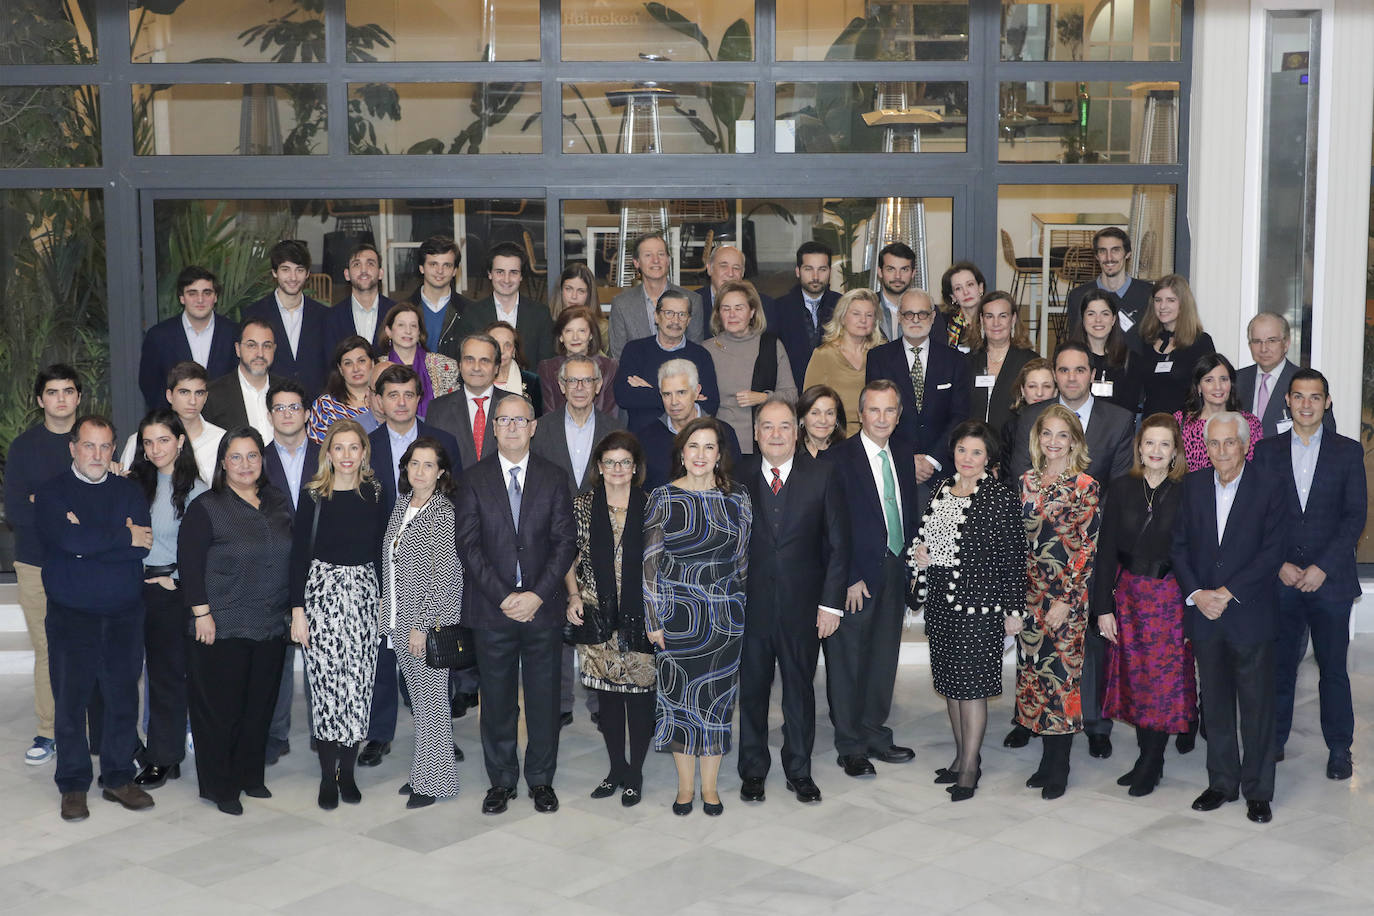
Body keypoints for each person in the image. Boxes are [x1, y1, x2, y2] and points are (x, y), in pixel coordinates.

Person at [454, 395, 577, 816]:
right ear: (493, 427)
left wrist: (537, 595)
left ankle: (541, 780)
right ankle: (501, 781)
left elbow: (565, 544)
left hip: (542, 609)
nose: (510, 427)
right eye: (502, 420)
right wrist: (506, 597)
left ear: (533, 426)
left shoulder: (555, 477)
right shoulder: (472, 479)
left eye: (518, 420)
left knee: (544, 700)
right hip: (493, 610)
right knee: (498, 701)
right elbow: (467, 547)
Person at [35, 415, 155, 822]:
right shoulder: (53, 493)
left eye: (106, 447)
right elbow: (68, 540)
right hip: (72, 617)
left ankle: (118, 778)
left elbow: (142, 547)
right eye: (89, 445)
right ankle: (72, 785)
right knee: (71, 703)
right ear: (73, 447)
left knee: (123, 698)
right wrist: (120, 535)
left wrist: (88, 540)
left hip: (124, 614)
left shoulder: (129, 490)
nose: (98, 455)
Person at [1172, 411, 1287, 824]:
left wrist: (1227, 592)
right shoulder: (1192, 485)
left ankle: (1258, 789)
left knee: (1256, 707)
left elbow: (1273, 551)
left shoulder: (1269, 486)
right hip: (1205, 614)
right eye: (1214, 444)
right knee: (1216, 705)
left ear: (1244, 445)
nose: (1222, 451)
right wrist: (1198, 594)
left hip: (1248, 612)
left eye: (1230, 443)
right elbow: (1179, 545)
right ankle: (1222, 782)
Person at [1254, 370, 1366, 780]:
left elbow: (1354, 518)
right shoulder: (1266, 452)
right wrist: (1278, 564)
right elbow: (1260, 517)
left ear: (1327, 402)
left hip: (1330, 582)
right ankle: (1274, 742)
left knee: (1333, 670)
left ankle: (1340, 749)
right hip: (1280, 581)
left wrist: (1322, 568)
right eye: (1299, 397)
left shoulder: (1348, 452)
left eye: (1315, 398)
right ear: (1287, 400)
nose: (1306, 405)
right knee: (1279, 668)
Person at [736, 400, 849, 805]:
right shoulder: (737, 475)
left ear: (797, 431)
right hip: (749, 607)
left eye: (785, 426)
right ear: (755, 432)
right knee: (751, 691)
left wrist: (830, 605)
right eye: (767, 426)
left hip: (804, 608)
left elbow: (839, 544)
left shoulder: (821, 475)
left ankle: (799, 770)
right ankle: (752, 770)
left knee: (799, 690)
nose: (777, 434)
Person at [910, 420, 1028, 801]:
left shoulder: (1000, 497)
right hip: (942, 604)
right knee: (950, 685)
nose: (968, 458)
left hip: (981, 607)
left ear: (988, 456)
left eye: (976, 452)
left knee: (972, 687)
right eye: (962, 450)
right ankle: (961, 758)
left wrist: (1014, 610)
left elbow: (1013, 559)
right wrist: (921, 554)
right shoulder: (941, 489)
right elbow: (928, 538)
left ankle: (972, 766)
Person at [178, 427, 293, 816]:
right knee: (219, 711)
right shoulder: (206, 507)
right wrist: (201, 615)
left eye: (253, 456)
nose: (245, 465)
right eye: (236, 457)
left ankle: (249, 775)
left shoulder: (277, 502)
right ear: (223, 463)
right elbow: (190, 566)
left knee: (258, 706)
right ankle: (219, 786)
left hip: (270, 623)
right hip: (221, 625)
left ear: (262, 460)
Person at [644, 417, 752, 816]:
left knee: (717, 702)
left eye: (709, 447)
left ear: (719, 454)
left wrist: (739, 608)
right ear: (682, 453)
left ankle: (710, 788)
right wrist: (653, 617)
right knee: (678, 701)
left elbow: (742, 560)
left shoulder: (738, 497)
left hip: (725, 618)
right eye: (693, 446)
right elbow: (650, 563)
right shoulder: (662, 497)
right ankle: (685, 787)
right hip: (676, 617)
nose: (701, 455)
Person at [363, 364, 461, 766]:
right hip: (381, 567)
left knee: (430, 674)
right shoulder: (365, 444)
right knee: (385, 662)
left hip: (427, 576)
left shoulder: (441, 442)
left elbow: (457, 503)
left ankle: (436, 745)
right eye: (392, 395)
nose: (401, 402)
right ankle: (380, 734)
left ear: (419, 399)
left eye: (408, 394)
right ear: (378, 401)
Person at [289, 420, 388, 810]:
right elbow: (298, 555)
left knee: (358, 686)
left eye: (354, 447)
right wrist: (298, 610)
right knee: (327, 687)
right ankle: (327, 775)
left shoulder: (376, 492)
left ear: (364, 452)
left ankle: (348, 773)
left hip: (365, 595)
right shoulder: (313, 494)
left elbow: (384, 551)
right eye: (339, 448)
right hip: (321, 596)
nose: (347, 455)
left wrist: (387, 602)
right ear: (328, 453)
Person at [1095, 414, 1195, 797]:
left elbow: (1195, 552)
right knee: (1135, 680)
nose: (1155, 451)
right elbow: (1105, 552)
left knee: (1161, 684)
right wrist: (1102, 606)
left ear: (1175, 452)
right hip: (1129, 597)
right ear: (1139, 448)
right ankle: (1144, 757)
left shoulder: (1187, 491)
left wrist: (1192, 604)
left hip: (1169, 597)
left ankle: (1152, 762)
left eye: (1164, 444)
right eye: (1149, 443)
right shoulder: (1122, 488)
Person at [825, 380, 920, 778]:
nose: (882, 418)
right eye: (874, 410)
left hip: (894, 569)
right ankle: (849, 744)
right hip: (856, 579)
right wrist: (847, 577)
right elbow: (830, 527)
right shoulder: (838, 459)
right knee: (849, 663)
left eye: (890, 411)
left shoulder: (899, 451)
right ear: (860, 414)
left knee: (883, 658)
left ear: (899, 416)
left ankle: (873, 732)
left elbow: (905, 505)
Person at [563, 431, 656, 806]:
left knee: (639, 698)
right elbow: (567, 558)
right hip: (597, 614)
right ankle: (616, 767)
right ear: (599, 468)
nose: (617, 469)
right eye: (610, 462)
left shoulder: (653, 505)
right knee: (607, 699)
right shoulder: (583, 505)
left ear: (635, 468)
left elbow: (661, 564)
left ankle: (635, 772)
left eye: (625, 462)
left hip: (640, 615)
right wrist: (571, 595)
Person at [1015, 405, 1101, 799]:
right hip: (1031, 596)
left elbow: (1088, 548)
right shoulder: (1026, 482)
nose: (1053, 441)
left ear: (1074, 441)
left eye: (1061, 435)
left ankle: (1060, 764)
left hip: (1067, 598)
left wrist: (1066, 599)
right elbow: (1019, 545)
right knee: (1034, 676)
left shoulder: (1085, 485)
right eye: (1047, 434)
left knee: (1061, 680)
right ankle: (1046, 761)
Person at [4, 366, 82, 766]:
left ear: (78, 397)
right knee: (47, 648)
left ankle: (88, 728)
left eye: (68, 391)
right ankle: (49, 731)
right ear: (40, 400)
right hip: (35, 562)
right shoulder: (23, 447)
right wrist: (63, 514)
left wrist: (46, 504)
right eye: (52, 392)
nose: (61, 399)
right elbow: (17, 510)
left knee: (90, 646)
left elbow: (100, 504)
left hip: (88, 563)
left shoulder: (92, 442)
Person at [381, 438, 464, 808]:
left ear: (441, 472)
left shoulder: (443, 513)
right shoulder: (402, 506)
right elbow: (393, 564)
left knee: (432, 706)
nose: (419, 471)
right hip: (399, 621)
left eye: (428, 465)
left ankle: (435, 784)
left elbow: (445, 576)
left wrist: (422, 624)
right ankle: (422, 773)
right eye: (414, 463)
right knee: (419, 702)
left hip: (423, 626)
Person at [128, 409, 208, 790]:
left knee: (165, 678)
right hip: (128, 589)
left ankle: (164, 756)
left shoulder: (197, 489)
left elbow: (203, 549)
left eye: (163, 439)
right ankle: (138, 749)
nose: (155, 448)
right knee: (126, 675)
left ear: (179, 441)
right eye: (148, 441)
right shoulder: (132, 482)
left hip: (167, 592)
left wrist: (173, 580)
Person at [260, 378, 320, 765]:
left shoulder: (329, 455)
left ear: (307, 413)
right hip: (273, 573)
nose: (286, 414)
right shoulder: (255, 460)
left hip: (323, 570)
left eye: (293, 407)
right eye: (279, 408)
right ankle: (275, 734)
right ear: (270, 416)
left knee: (321, 655)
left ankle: (323, 732)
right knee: (276, 661)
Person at [864, 287, 971, 500]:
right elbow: (876, 416)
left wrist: (931, 459)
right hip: (893, 467)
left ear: (932, 317)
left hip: (943, 470)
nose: (915, 319)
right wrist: (906, 460)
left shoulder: (955, 360)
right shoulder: (878, 358)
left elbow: (960, 416)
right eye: (908, 314)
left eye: (922, 314)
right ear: (899, 317)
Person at [705, 279, 796, 453]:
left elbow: (792, 396)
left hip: (763, 446)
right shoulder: (706, 350)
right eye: (726, 309)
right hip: (719, 446)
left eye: (739, 308)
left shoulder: (771, 346)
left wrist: (763, 398)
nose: (732, 315)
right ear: (718, 313)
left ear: (752, 311)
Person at [614, 288, 721, 433]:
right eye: (669, 313)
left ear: (689, 320)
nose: (675, 320)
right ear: (657, 317)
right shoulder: (635, 350)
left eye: (682, 314)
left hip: (688, 439)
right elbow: (623, 396)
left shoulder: (701, 355)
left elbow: (710, 405)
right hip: (643, 439)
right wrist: (685, 398)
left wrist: (649, 391)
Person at [138, 265, 239, 412]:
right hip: (174, 425)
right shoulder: (159, 336)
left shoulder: (234, 333)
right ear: (181, 298)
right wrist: (170, 421)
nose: (200, 300)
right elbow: (150, 385)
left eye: (207, 293)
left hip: (223, 424)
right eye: (192, 293)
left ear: (215, 297)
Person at [242, 240, 331, 399]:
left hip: (315, 408)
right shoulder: (254, 314)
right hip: (268, 404)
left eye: (299, 270)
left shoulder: (324, 315)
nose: (293, 277)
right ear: (274, 272)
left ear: (308, 273)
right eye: (285, 270)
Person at [639, 359, 744, 491]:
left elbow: (735, 485)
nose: (674, 402)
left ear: (696, 391)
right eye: (667, 394)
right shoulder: (646, 437)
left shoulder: (724, 433)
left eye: (681, 392)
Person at [531, 354, 626, 497]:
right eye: (572, 381)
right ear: (562, 386)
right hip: (553, 517)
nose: (579, 387)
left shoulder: (616, 431)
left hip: (598, 517)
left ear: (598, 385)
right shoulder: (540, 429)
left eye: (587, 380)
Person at [455, 241, 556, 367]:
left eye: (513, 272)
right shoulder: (472, 314)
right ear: (489, 274)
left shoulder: (541, 314)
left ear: (521, 276)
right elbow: (465, 361)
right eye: (500, 272)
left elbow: (546, 365)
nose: (506, 279)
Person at [1236, 311, 1335, 438]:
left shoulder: (1307, 383)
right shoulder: (1236, 380)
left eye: (1271, 341)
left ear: (1286, 344)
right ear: (1249, 345)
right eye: (1256, 341)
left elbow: (1328, 434)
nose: (1263, 348)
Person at [120, 362, 224, 484]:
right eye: (184, 392)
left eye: (199, 393)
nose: (192, 401)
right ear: (169, 396)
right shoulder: (139, 441)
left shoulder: (221, 440)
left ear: (206, 397)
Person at [607, 231, 705, 358]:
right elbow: (618, 356)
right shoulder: (621, 304)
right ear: (636, 263)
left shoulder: (693, 301)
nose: (656, 260)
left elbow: (695, 353)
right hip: (635, 376)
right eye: (648, 255)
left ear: (668, 260)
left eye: (661, 254)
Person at [803, 288, 883, 438]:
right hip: (834, 439)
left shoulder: (882, 355)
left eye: (869, 315)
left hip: (876, 437)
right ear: (842, 317)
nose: (863, 320)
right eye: (856, 314)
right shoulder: (824, 355)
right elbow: (809, 406)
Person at [427, 333, 512, 468]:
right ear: (459, 365)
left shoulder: (515, 406)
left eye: (484, 360)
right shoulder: (438, 409)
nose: (476, 367)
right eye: (469, 360)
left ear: (496, 367)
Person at [1137, 275, 1215, 417]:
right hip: (1151, 427)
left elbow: (1211, 389)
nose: (1162, 306)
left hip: (1187, 428)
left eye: (1170, 300)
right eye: (1158, 300)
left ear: (1183, 304)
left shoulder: (1201, 342)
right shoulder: (1146, 341)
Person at [1063, 227, 1152, 346]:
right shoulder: (1078, 296)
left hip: (1138, 364)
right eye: (1102, 251)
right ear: (1096, 256)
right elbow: (1076, 345)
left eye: (1115, 250)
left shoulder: (1148, 294)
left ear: (1128, 254)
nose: (1109, 258)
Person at [966, 291, 1039, 434]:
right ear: (981, 320)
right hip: (972, 446)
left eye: (1003, 316)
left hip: (1013, 446)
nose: (996, 323)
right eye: (989, 316)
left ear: (1013, 319)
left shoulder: (1030, 363)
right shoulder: (967, 362)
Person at [1174, 353, 1263, 471]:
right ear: (1199, 387)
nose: (1218, 387)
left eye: (1224, 379)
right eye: (1209, 380)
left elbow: (1255, 469)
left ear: (1231, 384)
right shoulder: (1180, 421)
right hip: (1189, 488)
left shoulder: (1250, 423)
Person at [375, 301, 462, 419]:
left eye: (413, 326)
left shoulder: (444, 366)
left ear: (419, 332)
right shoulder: (377, 367)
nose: (408, 331)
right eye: (401, 325)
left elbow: (453, 411)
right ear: (389, 331)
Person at [771, 241, 840, 389]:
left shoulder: (842, 306)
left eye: (822, 269)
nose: (815, 276)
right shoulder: (778, 308)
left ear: (830, 271)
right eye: (808, 269)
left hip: (833, 391)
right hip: (792, 391)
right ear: (798, 271)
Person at [202, 319, 284, 442]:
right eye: (252, 345)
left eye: (266, 346)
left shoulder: (287, 390)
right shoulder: (213, 395)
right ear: (238, 349)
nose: (260, 353)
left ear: (274, 350)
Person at [1065, 289, 1142, 414]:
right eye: (1091, 314)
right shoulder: (1068, 358)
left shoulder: (1131, 360)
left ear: (1113, 319)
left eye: (1105, 314)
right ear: (1083, 319)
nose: (1098, 320)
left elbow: (1129, 410)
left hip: (1116, 431)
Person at [538, 304, 618, 415]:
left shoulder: (609, 367)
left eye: (581, 331)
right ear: (561, 336)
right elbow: (549, 414)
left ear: (590, 335)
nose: (575, 337)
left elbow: (611, 415)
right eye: (569, 331)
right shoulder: (547, 369)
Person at [408, 234, 474, 359]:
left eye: (447, 265)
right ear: (421, 268)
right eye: (433, 264)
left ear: (455, 271)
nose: (440, 271)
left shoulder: (469, 311)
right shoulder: (403, 308)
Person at [323, 242, 395, 350]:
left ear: (380, 273)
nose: (364, 270)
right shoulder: (332, 318)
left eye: (370, 263)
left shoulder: (396, 313)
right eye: (356, 264)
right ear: (347, 275)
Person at [306, 336, 378, 441]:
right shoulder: (325, 406)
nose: (356, 369)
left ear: (372, 363)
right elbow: (316, 450)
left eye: (361, 361)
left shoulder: (384, 401)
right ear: (340, 369)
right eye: (348, 363)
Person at [998, 357, 1055, 481]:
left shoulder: (1069, 424)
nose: (1039, 393)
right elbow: (1007, 476)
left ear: (1056, 391)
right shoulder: (1011, 427)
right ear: (1023, 390)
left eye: (1047, 386)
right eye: (1032, 386)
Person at [487, 320, 545, 416]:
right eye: (495, 344)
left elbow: (538, 421)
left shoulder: (532, 381)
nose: (501, 351)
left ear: (514, 350)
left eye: (507, 345)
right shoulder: (473, 379)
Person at [874, 241, 918, 342]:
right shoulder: (868, 308)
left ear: (913, 273)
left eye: (904, 269)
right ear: (880, 272)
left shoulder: (928, 310)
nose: (897, 276)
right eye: (891, 269)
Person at [938, 261, 985, 350]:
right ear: (953, 297)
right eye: (958, 288)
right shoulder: (943, 323)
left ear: (980, 288)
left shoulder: (993, 319)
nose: (966, 292)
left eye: (970, 284)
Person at [797, 384, 847, 457]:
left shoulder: (848, 453)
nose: (823, 421)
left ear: (837, 419)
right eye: (815, 413)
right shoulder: (789, 453)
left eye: (829, 413)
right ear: (802, 418)